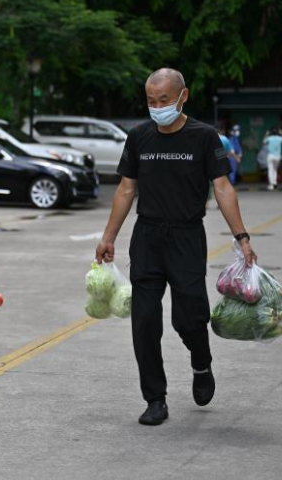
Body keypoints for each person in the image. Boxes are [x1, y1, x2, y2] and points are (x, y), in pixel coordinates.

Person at [95, 68, 257, 426]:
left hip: (186, 237)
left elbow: (223, 188)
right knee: (145, 322)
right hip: (148, 237)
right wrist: (109, 236)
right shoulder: (139, 137)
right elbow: (125, 189)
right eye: (151, 101)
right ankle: (155, 398)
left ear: (183, 96)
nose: (157, 107)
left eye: (164, 100)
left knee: (190, 318)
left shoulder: (204, 137)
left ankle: (201, 363)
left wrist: (241, 237)